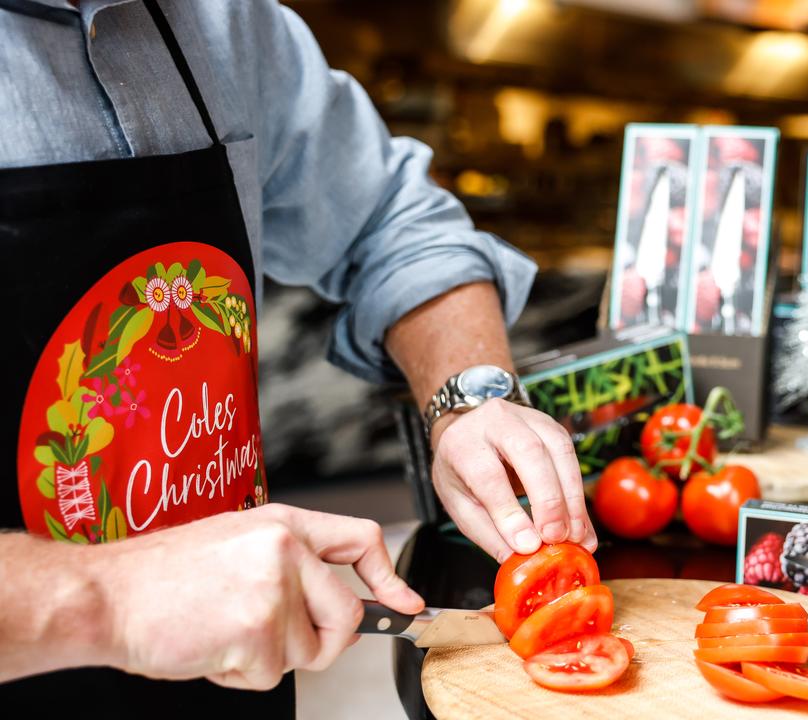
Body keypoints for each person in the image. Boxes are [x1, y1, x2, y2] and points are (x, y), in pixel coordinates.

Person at [0, 0, 595, 713]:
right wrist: (110, 599)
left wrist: (464, 395)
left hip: (242, 675)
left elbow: (390, 220)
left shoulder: (225, 21)